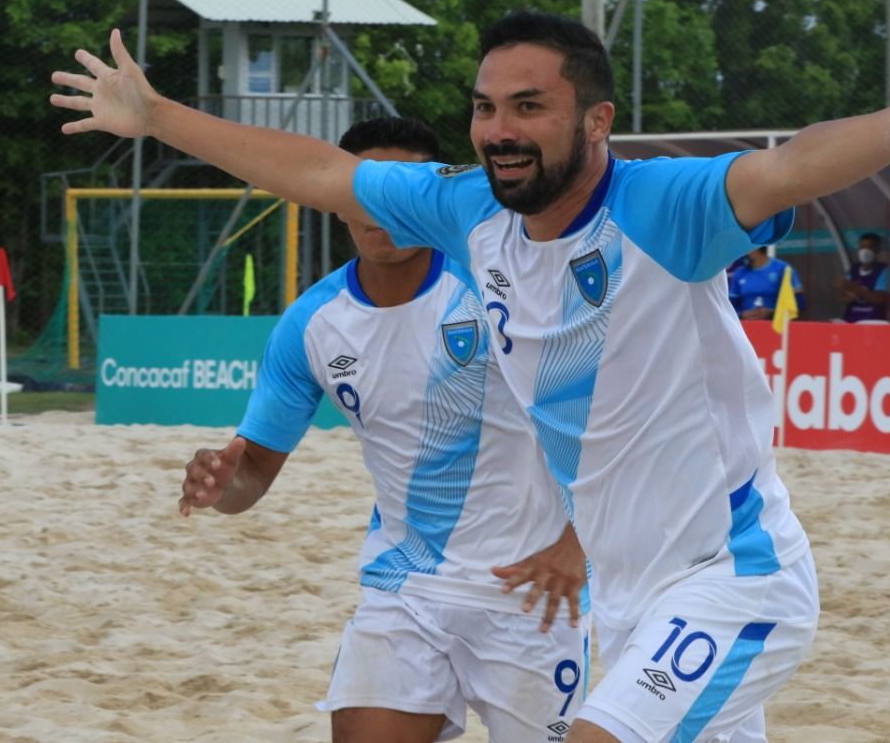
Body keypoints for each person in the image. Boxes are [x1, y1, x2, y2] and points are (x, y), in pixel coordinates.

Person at [52, 4, 890, 742]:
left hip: (732, 574)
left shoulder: (663, 208)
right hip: (621, 604)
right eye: (484, 106)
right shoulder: (469, 216)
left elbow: (789, 167)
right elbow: (317, 173)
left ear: (597, 120)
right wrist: (158, 117)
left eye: (528, 107)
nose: (499, 129)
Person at [178, 117, 592, 742]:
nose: (380, 211)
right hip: (406, 590)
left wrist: (576, 543)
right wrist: (222, 481)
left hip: (533, 594)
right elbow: (252, 478)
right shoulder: (312, 323)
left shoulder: (504, 284)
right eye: (362, 194)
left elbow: (610, 423)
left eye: (398, 192)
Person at [729, 246, 806, 320]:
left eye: (746, 248)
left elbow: (799, 303)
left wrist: (772, 313)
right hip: (745, 326)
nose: (743, 253)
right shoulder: (739, 273)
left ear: (756, 248)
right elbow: (731, 304)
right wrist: (742, 314)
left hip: (777, 326)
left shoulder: (783, 269)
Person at [837, 232, 890, 322]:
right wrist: (849, 296)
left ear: (877, 250)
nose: (865, 251)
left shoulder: (885, 271)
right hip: (850, 321)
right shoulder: (853, 269)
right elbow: (842, 298)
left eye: (870, 247)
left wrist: (856, 290)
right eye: (862, 247)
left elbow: (879, 299)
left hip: (874, 323)